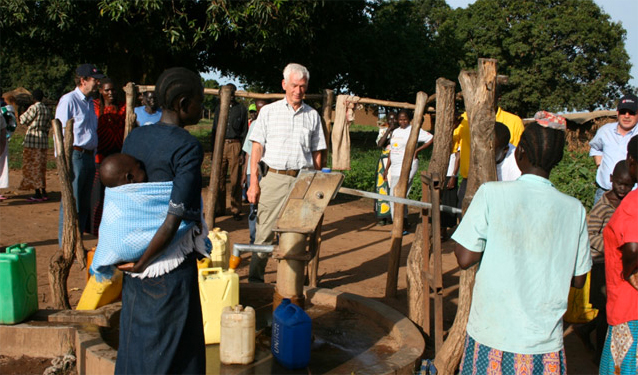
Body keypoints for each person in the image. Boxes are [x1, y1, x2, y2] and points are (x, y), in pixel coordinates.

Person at [453, 112, 591, 374]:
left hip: (493, 336)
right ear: (558, 160)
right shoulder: (574, 209)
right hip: (544, 344)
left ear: (519, 154)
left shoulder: (492, 194)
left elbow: (465, 257)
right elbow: (579, 279)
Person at [110, 67, 206, 374]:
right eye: (199, 100)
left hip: (134, 257)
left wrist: (132, 259)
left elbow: (123, 201)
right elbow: (173, 218)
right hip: (167, 265)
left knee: (136, 344)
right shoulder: (187, 147)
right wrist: (146, 261)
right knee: (173, 352)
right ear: (182, 103)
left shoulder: (135, 138)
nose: (202, 107)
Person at [247, 63, 327, 283]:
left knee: (296, 235)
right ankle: (255, 281)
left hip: (302, 180)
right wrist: (254, 183)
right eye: (294, 85)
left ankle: (291, 283)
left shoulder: (312, 116)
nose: (298, 91)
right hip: (273, 178)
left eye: (302, 86)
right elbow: (256, 149)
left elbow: (317, 153)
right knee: (264, 234)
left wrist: (316, 183)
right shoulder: (268, 112)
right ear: (284, 84)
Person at [576, 160, 632, 362]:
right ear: (611, 180)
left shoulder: (627, 203)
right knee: (605, 310)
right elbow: (590, 234)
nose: (623, 189)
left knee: (610, 309)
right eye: (620, 184)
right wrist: (614, 246)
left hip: (617, 262)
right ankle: (600, 354)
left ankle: (586, 332)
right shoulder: (603, 206)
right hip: (601, 264)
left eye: (628, 185)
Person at [599, 135, 638, 374]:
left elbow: (632, 247)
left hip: (629, 309)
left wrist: (628, 270)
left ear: (631, 161)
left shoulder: (633, 203)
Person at [55, 63, 104, 245]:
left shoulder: (91, 103)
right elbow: (59, 132)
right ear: (83, 81)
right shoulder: (69, 100)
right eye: (95, 80)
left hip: (89, 156)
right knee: (71, 202)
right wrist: (62, 160)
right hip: (74, 155)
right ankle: (65, 244)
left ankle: (77, 242)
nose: (98, 83)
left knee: (84, 204)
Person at [453, 88, 525, 206]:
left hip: (502, 181)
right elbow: (452, 147)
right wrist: (450, 127)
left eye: (488, 97)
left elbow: (519, 158)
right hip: (470, 181)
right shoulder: (464, 119)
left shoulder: (514, 122)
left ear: (498, 98)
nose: (483, 101)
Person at [380, 109, 433, 233]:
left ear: (409, 120)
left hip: (407, 166)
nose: (402, 122)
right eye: (400, 119)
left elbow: (431, 138)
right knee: (397, 195)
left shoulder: (414, 130)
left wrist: (417, 151)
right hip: (395, 166)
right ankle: (402, 223)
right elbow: (392, 151)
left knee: (397, 194)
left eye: (405, 119)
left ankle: (398, 226)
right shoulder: (395, 132)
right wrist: (387, 169)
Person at [87, 78, 126, 235]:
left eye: (113, 90)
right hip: (99, 158)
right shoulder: (95, 107)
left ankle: (114, 228)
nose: (111, 93)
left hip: (118, 159)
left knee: (116, 197)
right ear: (101, 91)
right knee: (97, 197)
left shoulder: (123, 108)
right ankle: (95, 230)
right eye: (107, 90)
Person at [589, 93, 638, 204]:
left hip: (633, 195)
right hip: (605, 192)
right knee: (599, 219)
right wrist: (599, 165)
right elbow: (595, 148)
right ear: (617, 113)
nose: (626, 116)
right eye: (623, 112)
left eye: (631, 113)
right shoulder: (605, 131)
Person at [211, 83, 248, 220]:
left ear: (235, 93)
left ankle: (236, 209)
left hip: (235, 145)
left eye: (231, 92)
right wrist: (213, 150)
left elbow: (245, 132)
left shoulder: (241, 109)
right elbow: (214, 130)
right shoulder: (218, 108)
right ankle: (220, 208)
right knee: (219, 178)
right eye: (226, 92)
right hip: (220, 145)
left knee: (235, 179)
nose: (229, 95)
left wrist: (243, 153)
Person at [241, 99, 268, 244]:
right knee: (254, 207)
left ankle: (269, 239)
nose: (261, 112)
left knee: (269, 207)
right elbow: (248, 152)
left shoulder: (273, 124)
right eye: (259, 109)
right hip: (254, 172)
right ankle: (254, 239)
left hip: (268, 172)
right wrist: (245, 174)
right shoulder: (255, 126)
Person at [18, 89, 52, 201]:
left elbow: (23, 120)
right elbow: (48, 126)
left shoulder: (34, 108)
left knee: (33, 166)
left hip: (33, 139)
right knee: (41, 167)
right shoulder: (47, 109)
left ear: (33, 98)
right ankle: (43, 191)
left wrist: (20, 113)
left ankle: (37, 193)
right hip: (43, 140)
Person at [374, 111, 397, 226]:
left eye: (394, 119)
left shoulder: (400, 132)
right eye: (390, 120)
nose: (392, 122)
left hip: (396, 162)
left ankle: (393, 215)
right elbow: (380, 144)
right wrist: (389, 131)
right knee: (382, 188)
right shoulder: (384, 130)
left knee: (393, 188)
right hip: (384, 162)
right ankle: (383, 216)